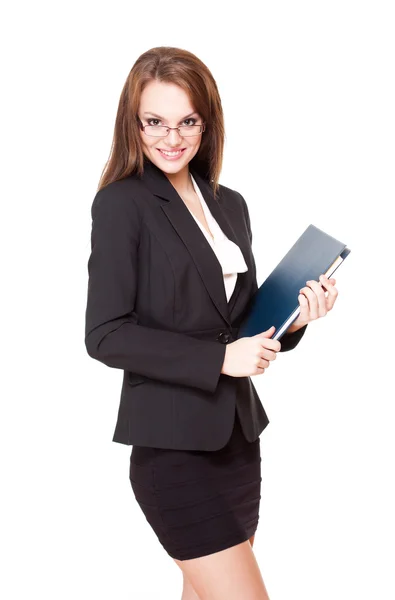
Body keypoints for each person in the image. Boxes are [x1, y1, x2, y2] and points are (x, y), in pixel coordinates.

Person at [84, 46, 339, 600]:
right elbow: (104, 333)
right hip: (173, 450)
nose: (171, 138)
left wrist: (297, 319)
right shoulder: (122, 205)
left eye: (187, 122)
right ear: (134, 123)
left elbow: (239, 323)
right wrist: (219, 360)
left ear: (206, 123)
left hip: (238, 443)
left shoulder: (230, 204)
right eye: (155, 122)